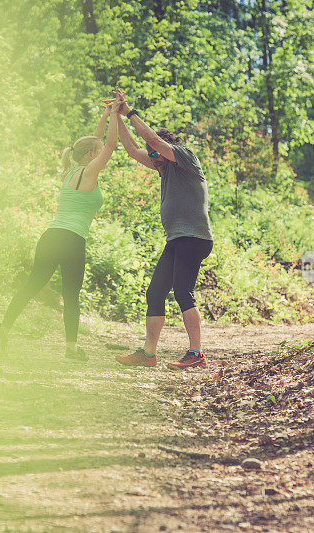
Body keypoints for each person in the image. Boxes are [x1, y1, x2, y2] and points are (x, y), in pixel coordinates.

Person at [0, 97, 122, 361]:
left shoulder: (72, 169)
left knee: (30, 286)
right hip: (72, 241)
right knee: (71, 296)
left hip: (50, 237)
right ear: (90, 156)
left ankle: (2, 331)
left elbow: (95, 141)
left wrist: (106, 114)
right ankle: (71, 350)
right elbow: (109, 144)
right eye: (96, 152)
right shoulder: (90, 171)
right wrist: (117, 114)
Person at [108, 88, 213, 370]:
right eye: (152, 156)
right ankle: (148, 353)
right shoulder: (162, 167)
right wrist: (116, 116)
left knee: (182, 291)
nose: (152, 158)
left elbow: (150, 138)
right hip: (177, 239)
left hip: (194, 236)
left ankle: (196, 353)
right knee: (155, 293)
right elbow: (132, 149)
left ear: (168, 150)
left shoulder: (186, 158)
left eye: (156, 154)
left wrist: (129, 110)